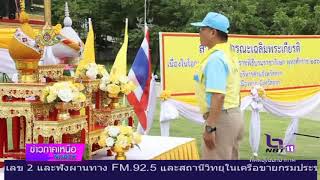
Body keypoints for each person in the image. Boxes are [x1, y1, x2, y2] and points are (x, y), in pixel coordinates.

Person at [191, 12, 244, 160]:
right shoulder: (228, 54)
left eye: (202, 29)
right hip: (232, 115)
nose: (199, 33)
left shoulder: (216, 59)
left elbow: (218, 95)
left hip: (221, 119)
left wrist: (210, 127)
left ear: (213, 32)